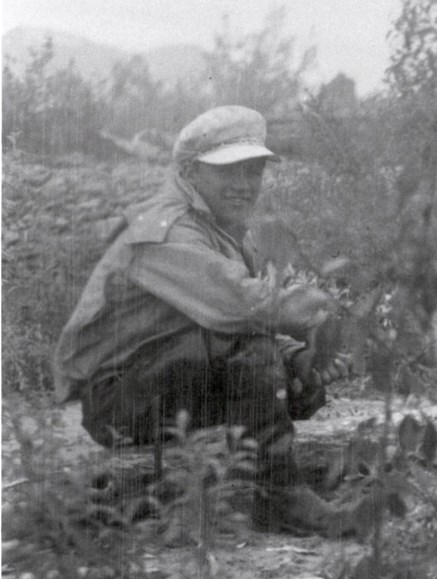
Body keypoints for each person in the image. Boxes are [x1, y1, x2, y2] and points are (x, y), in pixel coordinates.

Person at [55, 105, 350, 533]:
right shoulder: (168, 229)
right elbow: (241, 306)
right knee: (254, 353)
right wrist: (314, 311)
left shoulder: (220, 228)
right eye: (229, 172)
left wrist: (300, 359)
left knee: (290, 374)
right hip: (117, 399)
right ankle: (280, 499)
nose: (245, 185)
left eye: (254, 172)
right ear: (191, 173)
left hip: (156, 379)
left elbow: (227, 322)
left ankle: (270, 488)